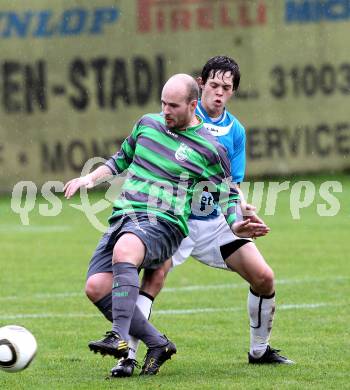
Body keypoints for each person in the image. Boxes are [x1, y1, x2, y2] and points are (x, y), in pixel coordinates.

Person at [64, 73, 269, 376]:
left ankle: (119, 338)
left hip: (165, 223)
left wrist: (235, 225)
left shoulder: (210, 149)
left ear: (192, 105)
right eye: (163, 103)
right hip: (125, 216)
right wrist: (89, 178)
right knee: (96, 287)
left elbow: (225, 193)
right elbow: (121, 158)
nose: (166, 111)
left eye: (173, 106)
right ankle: (157, 342)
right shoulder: (147, 124)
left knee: (126, 251)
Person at [108, 56, 293, 377]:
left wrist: (242, 213)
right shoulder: (181, 117)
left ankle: (259, 351)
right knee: (152, 280)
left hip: (214, 223)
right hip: (172, 221)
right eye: (214, 85)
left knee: (264, 278)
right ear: (201, 86)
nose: (219, 93)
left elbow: (232, 186)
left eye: (227, 88)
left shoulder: (235, 132)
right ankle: (126, 357)